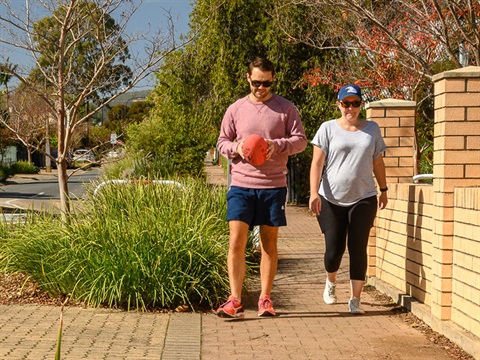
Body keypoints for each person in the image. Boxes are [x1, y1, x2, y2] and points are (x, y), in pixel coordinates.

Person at [216, 57, 307, 318]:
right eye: (256, 82)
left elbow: (300, 141)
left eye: (266, 83)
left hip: (273, 186)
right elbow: (222, 142)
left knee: (269, 244)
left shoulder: (285, 108)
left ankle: (265, 299)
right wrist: (238, 148)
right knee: (236, 241)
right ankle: (235, 300)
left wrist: (275, 145)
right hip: (241, 185)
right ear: (248, 78)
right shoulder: (235, 109)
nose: (261, 88)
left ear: (273, 79)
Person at [308, 84, 388, 315]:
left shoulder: (372, 129)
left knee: (358, 247)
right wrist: (314, 193)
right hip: (330, 198)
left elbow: (378, 162)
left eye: (355, 103)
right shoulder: (327, 128)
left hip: (363, 197)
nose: (350, 108)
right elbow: (317, 163)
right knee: (334, 249)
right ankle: (331, 283)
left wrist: (383, 189)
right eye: (346, 103)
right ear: (339, 105)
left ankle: (355, 299)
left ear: (361, 104)